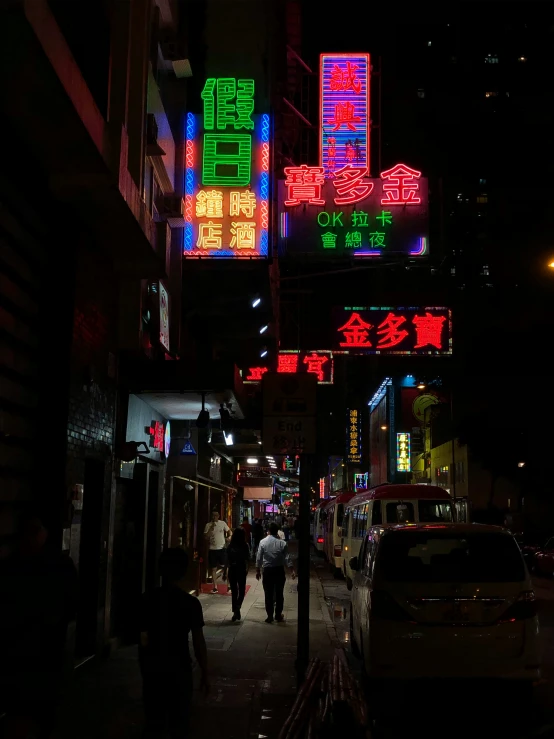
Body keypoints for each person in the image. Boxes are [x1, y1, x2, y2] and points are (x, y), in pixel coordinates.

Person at [0, 506, 78, 739]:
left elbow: (71, 605)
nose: (31, 537)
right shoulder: (12, 566)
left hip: (45, 654)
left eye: (35, 531)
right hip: (20, 655)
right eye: (27, 532)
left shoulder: (58, 566)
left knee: (40, 711)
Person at [139, 548, 209, 738]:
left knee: (154, 721)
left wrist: (146, 665)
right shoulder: (191, 603)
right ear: (184, 571)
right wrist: (205, 670)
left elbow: (143, 638)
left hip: (153, 667)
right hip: (180, 666)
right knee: (180, 721)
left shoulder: (147, 599)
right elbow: (198, 641)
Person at [256, 522, 296, 624]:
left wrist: (258, 570)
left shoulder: (262, 542)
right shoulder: (282, 543)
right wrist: (292, 570)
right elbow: (287, 558)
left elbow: (259, 557)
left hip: (267, 571)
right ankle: (278, 614)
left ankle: (269, 616)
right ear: (277, 531)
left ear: (268, 531)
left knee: (268, 594)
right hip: (279, 571)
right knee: (279, 593)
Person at [204, 510, 230, 593]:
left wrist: (229, 538)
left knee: (226, 567)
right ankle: (215, 587)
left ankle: (229, 586)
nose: (214, 517)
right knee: (213, 569)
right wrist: (211, 528)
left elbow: (229, 531)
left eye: (216, 515)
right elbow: (206, 537)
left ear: (218, 516)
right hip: (212, 549)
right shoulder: (208, 525)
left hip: (222, 548)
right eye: (213, 515)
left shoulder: (222, 523)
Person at [227, 528, 250, 621]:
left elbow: (227, 560)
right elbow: (247, 559)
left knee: (234, 591)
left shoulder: (230, 546)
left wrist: (225, 571)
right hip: (241, 568)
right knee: (241, 590)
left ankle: (235, 610)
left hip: (232, 569)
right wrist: (247, 569)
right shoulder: (245, 545)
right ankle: (237, 607)